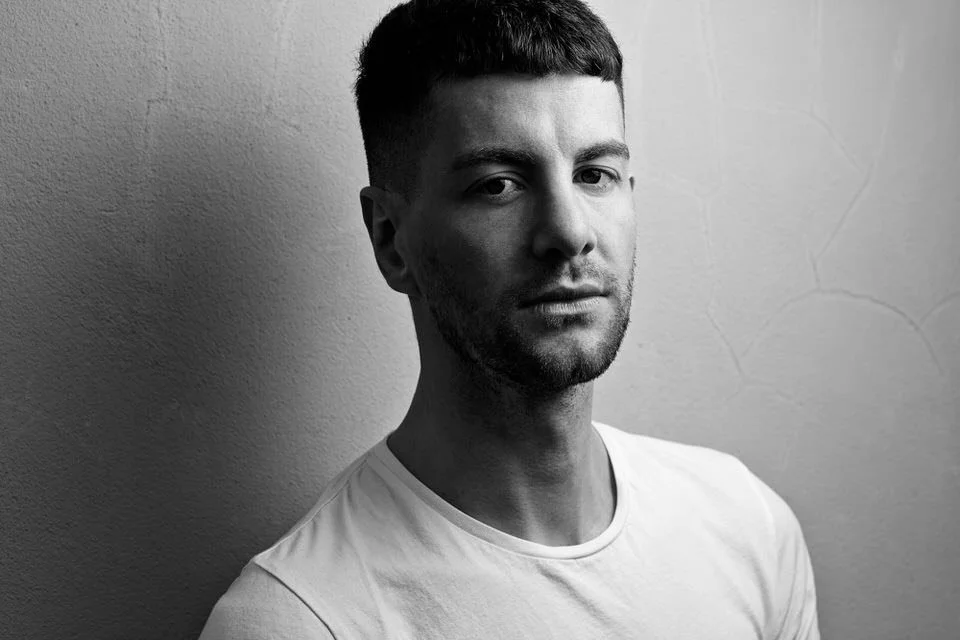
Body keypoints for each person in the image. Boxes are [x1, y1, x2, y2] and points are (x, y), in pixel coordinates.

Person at [199, 0, 820, 637]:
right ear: (391, 239)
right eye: (499, 184)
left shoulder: (747, 528)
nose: (569, 231)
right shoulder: (304, 619)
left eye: (595, 174)